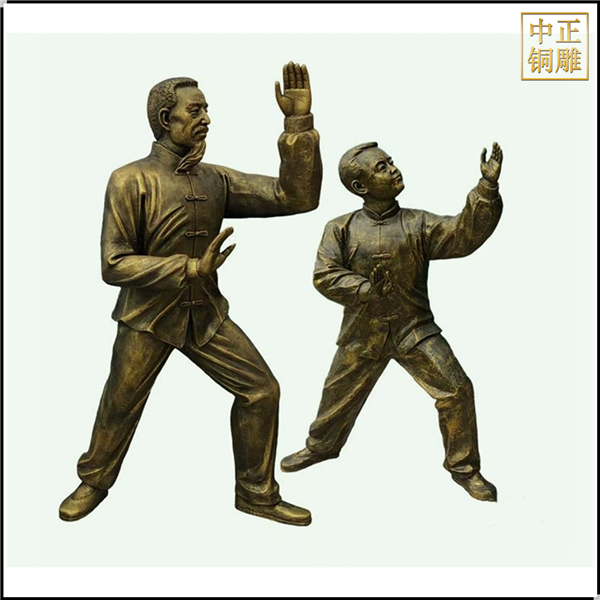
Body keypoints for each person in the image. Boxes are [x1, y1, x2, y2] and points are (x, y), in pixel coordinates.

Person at [59, 62, 322, 526]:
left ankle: (256, 494)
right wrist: (189, 268)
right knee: (120, 404)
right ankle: (94, 481)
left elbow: (294, 196)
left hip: (204, 313)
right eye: (195, 110)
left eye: (206, 110)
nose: (206, 119)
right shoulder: (129, 179)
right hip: (147, 317)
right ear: (167, 119)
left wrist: (297, 124)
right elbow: (113, 264)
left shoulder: (214, 179)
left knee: (261, 391)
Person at [281, 141, 503, 502]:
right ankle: (320, 447)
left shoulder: (418, 223)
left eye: (391, 162)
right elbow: (324, 275)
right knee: (336, 396)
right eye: (381, 167)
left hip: (414, 329)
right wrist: (365, 289)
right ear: (360, 187)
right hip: (362, 333)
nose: (393, 169)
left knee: (458, 389)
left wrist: (486, 188)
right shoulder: (340, 228)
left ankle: (464, 468)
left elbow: (463, 234)